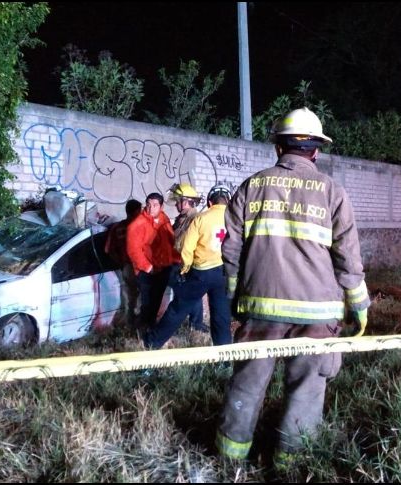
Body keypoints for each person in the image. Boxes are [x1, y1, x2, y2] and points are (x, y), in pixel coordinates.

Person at [216, 107, 370, 464]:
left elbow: (232, 249)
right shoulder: (333, 191)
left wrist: (236, 298)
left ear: (278, 148)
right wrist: (359, 306)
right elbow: (348, 256)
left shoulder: (253, 185)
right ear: (316, 150)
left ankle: (229, 459)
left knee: (247, 384)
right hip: (317, 313)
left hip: (260, 308)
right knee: (307, 388)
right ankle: (291, 463)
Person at [144, 184, 235, 349]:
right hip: (223, 274)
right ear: (229, 201)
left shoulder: (201, 218)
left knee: (178, 309)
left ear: (209, 202)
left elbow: (187, 248)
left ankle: (152, 343)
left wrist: (185, 269)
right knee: (221, 316)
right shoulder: (235, 220)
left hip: (201, 273)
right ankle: (225, 357)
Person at [126, 193, 177, 329]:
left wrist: (174, 259)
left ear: (161, 206)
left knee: (156, 300)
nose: (150, 208)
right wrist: (148, 267)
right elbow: (133, 250)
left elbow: (170, 241)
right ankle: (143, 329)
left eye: (154, 205)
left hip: (163, 268)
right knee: (147, 301)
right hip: (146, 271)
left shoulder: (163, 219)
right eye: (148, 204)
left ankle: (151, 325)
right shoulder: (138, 224)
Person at [167, 183, 206, 332]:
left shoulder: (194, 219)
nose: (176, 203)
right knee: (188, 294)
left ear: (187, 201)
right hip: (178, 261)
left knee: (189, 295)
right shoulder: (182, 218)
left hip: (187, 263)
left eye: (178, 200)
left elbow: (186, 243)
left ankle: (195, 324)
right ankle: (194, 323)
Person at [105, 199, 143, 326]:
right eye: (139, 212)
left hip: (132, 266)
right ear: (133, 213)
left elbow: (109, 250)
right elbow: (109, 250)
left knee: (131, 295)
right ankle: (132, 322)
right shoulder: (135, 228)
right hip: (131, 267)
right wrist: (123, 264)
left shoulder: (117, 227)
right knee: (132, 296)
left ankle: (132, 321)